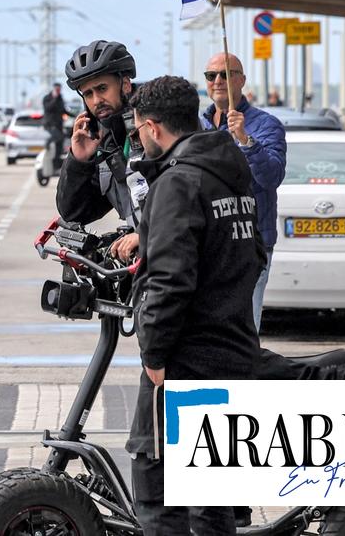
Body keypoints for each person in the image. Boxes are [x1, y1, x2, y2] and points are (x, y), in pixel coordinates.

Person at [126, 75, 263, 536]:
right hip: (233, 346)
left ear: (152, 127)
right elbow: (254, 254)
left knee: (159, 492)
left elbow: (169, 279)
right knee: (211, 497)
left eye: (139, 128)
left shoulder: (177, 183)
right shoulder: (231, 171)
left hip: (187, 358)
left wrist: (155, 355)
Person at [199, 53, 286, 332]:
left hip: (249, 244)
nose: (218, 81)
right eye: (211, 76)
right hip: (206, 244)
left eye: (226, 74)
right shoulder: (198, 126)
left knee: (243, 331)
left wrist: (246, 140)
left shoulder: (266, 125)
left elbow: (271, 177)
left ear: (242, 80)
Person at [55, 39, 145, 263]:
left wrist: (148, 235)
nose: (97, 100)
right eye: (88, 94)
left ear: (125, 84)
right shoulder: (104, 142)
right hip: (139, 265)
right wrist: (79, 161)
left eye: (102, 89)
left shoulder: (157, 129)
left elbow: (185, 201)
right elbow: (76, 213)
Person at [41, 83, 69, 172]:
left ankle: (56, 165)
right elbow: (48, 108)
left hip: (59, 124)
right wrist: (55, 98)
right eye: (57, 89)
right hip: (50, 124)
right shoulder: (47, 98)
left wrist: (75, 115)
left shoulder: (60, 98)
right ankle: (47, 143)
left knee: (59, 145)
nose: (58, 91)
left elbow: (63, 110)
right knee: (59, 136)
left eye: (59, 89)